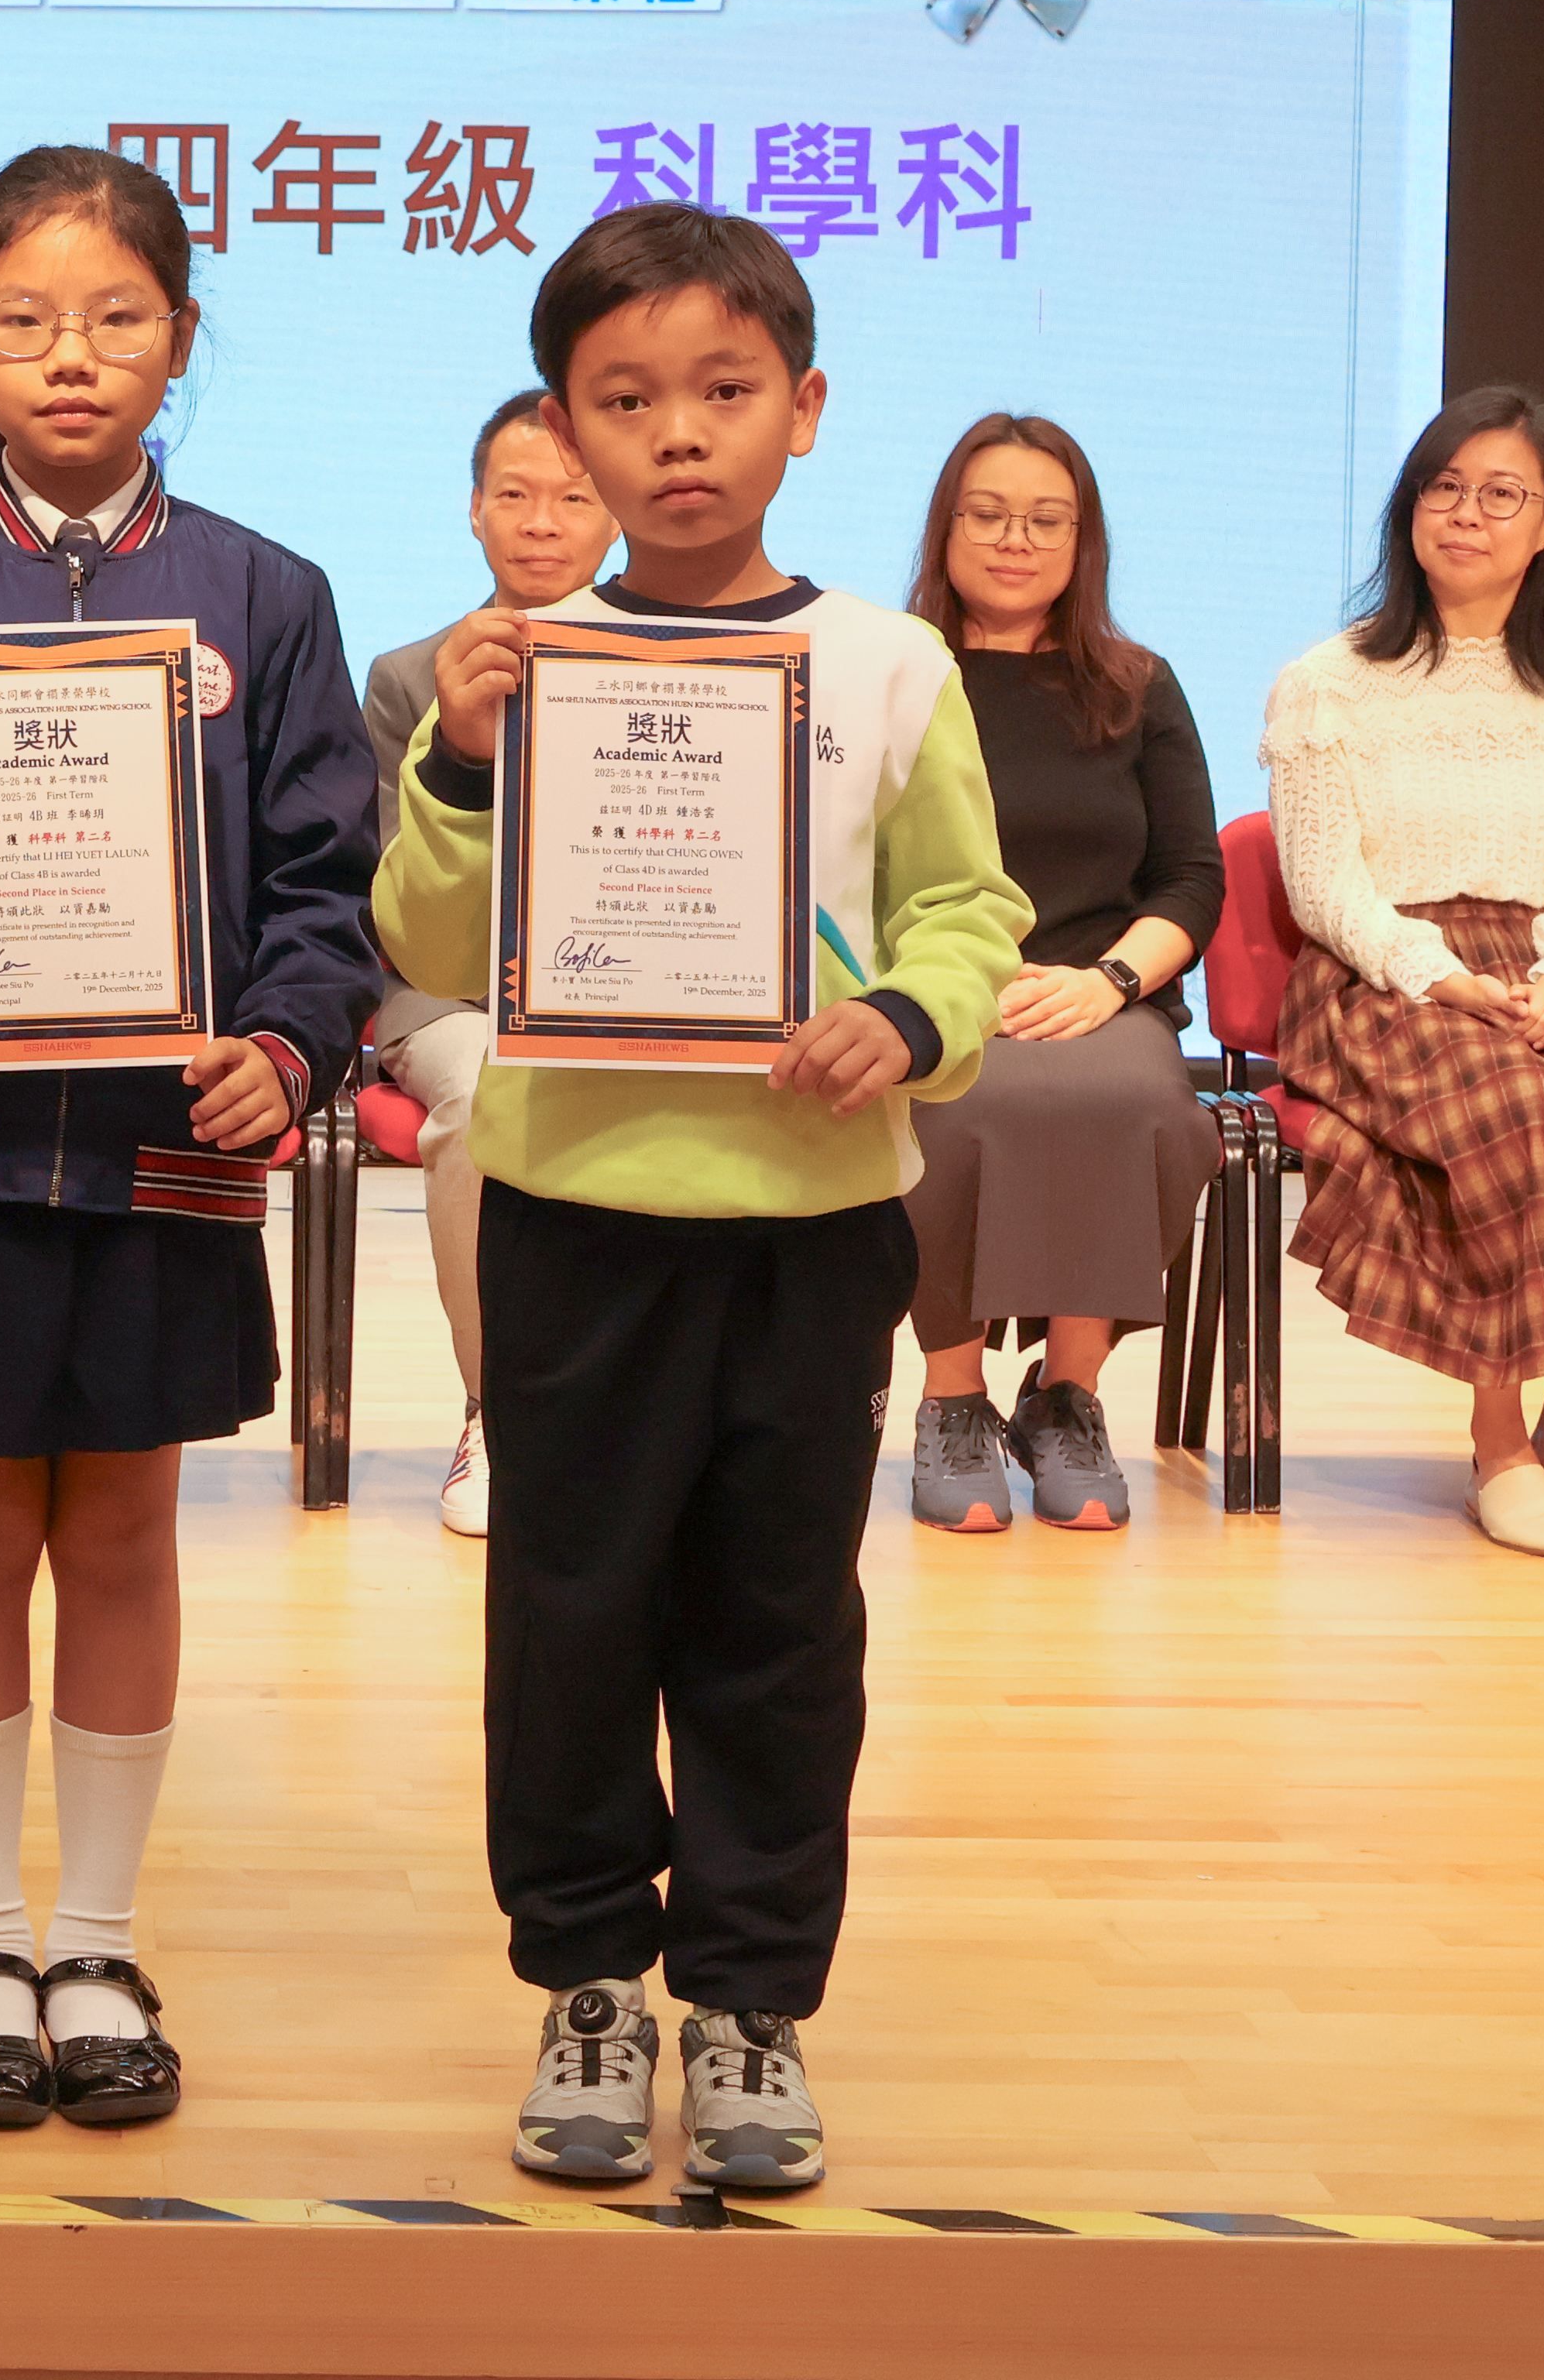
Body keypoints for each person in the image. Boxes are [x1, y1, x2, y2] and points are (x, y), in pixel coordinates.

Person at [375, 204, 1024, 2194]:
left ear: (803, 408)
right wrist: (461, 760)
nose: (678, 434)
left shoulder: (889, 661)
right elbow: (427, 940)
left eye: (725, 390)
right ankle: (587, 1975)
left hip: (810, 1227)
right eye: (625, 398)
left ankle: (749, 1997)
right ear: (562, 431)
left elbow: (968, 903)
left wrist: (907, 1015)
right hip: (574, 1210)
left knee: (777, 1621)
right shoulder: (520, 666)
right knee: (566, 1617)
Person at [0, 144, 381, 2133]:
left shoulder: (269, 593)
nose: (72, 353)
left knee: (120, 1529)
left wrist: (287, 1042)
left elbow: (328, 884)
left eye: (118, 316)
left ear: (182, 338)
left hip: (158, 1146)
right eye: (24, 319)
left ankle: (96, 1940)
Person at [1264, 386, 1544, 1562]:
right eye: (1446, 487)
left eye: (1501, 494)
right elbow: (1324, 887)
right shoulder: (1329, 682)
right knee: (1516, 1109)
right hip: (1383, 973)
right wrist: (1436, 975)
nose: (1466, 514)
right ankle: (1500, 1447)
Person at [894, 413, 1223, 1536]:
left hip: (1101, 992)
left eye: (1046, 520)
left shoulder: (1138, 685)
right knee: (946, 1107)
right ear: (945, 528)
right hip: (941, 986)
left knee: (1147, 1111)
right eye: (988, 515)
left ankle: (1066, 1397)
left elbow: (1191, 877)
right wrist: (944, 981)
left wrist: (1110, 983)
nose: (1015, 540)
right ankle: (952, 1399)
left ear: (1084, 541)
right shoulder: (897, 674)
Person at [360, 389, 612, 1537]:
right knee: (481, 1087)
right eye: (515, 494)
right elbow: (389, 883)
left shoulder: (684, 668)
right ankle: (495, 1408)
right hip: (447, 994)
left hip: (621, 987)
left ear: (616, 514)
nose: (543, 521)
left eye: (574, 497)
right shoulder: (409, 676)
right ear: (474, 510)